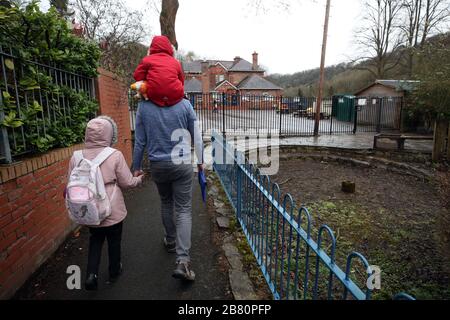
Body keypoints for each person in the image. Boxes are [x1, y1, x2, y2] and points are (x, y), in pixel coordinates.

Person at [67, 116, 144, 291]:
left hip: (89, 207)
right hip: (112, 207)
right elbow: (126, 182)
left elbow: (70, 182)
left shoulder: (76, 156)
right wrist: (139, 179)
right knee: (114, 240)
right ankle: (114, 271)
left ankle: (90, 275)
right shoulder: (114, 155)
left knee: (95, 240)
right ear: (110, 134)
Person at [132, 98, 204, 282]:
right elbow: (196, 135)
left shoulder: (143, 106)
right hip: (182, 163)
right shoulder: (184, 104)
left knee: (165, 201)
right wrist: (201, 160)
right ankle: (183, 261)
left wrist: (137, 166)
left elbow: (140, 141)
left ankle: (170, 240)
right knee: (183, 210)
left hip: (158, 164)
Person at [133, 35, 185, 107]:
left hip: (154, 94)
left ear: (151, 48)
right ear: (170, 48)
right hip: (175, 94)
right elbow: (181, 81)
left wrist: (148, 78)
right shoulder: (176, 62)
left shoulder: (147, 60)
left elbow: (137, 76)